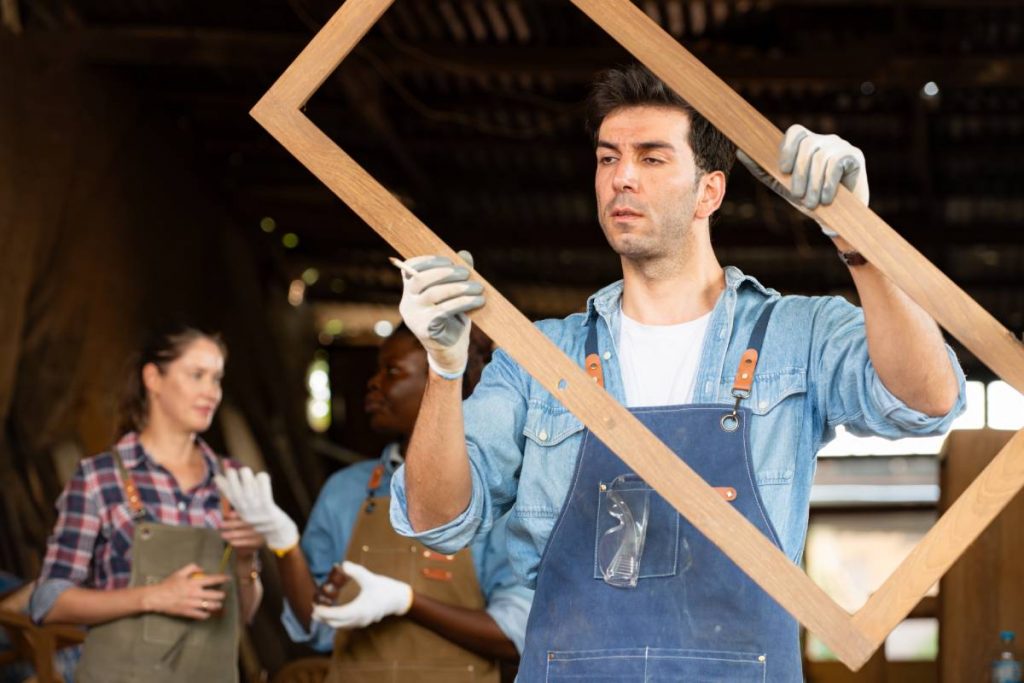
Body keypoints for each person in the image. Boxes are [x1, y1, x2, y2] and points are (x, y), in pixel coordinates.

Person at [387, 64, 966, 680]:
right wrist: (444, 371)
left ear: (709, 192)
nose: (621, 178)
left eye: (652, 158)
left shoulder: (796, 335)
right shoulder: (539, 358)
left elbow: (927, 401)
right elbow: (437, 521)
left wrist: (858, 236)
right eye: (608, 159)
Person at [217, 323, 532, 683]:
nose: (373, 382)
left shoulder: (495, 497)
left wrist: (406, 603)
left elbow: (515, 637)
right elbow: (318, 627)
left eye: (392, 371)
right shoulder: (346, 491)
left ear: (444, 380)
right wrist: (285, 546)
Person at [29, 326, 263, 682]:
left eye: (216, 379)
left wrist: (246, 561)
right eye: (196, 375)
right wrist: (154, 597)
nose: (211, 392)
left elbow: (242, 616)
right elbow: (47, 602)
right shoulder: (100, 478)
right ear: (153, 378)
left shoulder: (233, 482)